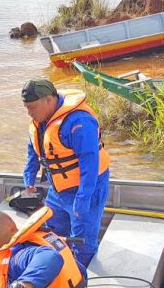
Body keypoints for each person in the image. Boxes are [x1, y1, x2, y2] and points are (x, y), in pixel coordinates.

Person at [21, 78, 111, 267]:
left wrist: (83, 199)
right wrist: (29, 180)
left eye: (32, 107)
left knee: (82, 240)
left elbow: (90, 162)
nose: (30, 113)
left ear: (48, 100)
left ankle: (82, 274)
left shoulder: (78, 122)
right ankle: (61, 268)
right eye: (27, 108)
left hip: (87, 187)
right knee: (54, 232)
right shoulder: (39, 121)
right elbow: (33, 151)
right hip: (58, 188)